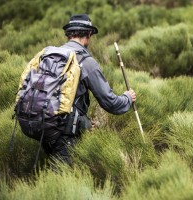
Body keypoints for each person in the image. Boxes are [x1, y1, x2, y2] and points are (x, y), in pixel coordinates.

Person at [42, 14, 136, 164]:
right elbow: (110, 102)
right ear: (88, 34)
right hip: (64, 133)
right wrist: (127, 98)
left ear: (69, 34)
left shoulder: (50, 56)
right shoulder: (85, 61)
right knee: (64, 177)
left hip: (42, 125)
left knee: (55, 169)